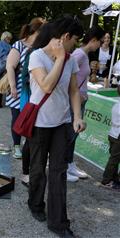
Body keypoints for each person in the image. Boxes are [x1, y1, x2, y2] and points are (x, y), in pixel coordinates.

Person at [27, 16, 85, 238]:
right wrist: (60, 58)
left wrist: (76, 117)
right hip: (40, 122)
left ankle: (59, 223)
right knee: (38, 168)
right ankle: (35, 204)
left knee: (59, 172)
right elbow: (47, 85)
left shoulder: (71, 60)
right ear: (65, 37)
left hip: (62, 123)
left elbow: (73, 91)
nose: (75, 45)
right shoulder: (37, 56)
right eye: (75, 40)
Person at [66, 26, 106, 182]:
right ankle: (64, 166)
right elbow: (66, 73)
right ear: (94, 40)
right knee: (70, 134)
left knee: (74, 134)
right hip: (75, 101)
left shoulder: (84, 54)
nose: (101, 45)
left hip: (80, 99)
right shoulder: (79, 54)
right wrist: (74, 94)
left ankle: (69, 164)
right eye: (100, 42)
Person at [5, 17, 45, 159]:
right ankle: (17, 146)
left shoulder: (41, 47)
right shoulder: (19, 45)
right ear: (36, 31)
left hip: (34, 90)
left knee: (31, 118)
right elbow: (10, 66)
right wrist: (13, 87)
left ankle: (28, 146)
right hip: (18, 89)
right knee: (17, 118)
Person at [100, 85, 120, 191]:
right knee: (114, 159)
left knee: (114, 158)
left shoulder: (116, 105)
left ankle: (114, 178)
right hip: (117, 136)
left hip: (112, 134)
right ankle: (106, 180)